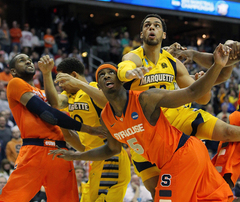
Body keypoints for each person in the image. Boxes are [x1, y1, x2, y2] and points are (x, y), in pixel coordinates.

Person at [50, 46, 234, 201]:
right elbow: (110, 150)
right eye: (101, 75)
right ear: (98, 85)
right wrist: (73, 156)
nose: (106, 76)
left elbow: (193, 92)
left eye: (110, 73)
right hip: (168, 161)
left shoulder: (145, 99)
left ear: (121, 81)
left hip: (183, 153)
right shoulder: (107, 117)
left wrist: (217, 65)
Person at [116, 14, 240, 196]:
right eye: (147, 25)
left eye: (157, 25)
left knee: (231, 133)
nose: (152, 27)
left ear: (163, 34)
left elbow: (202, 98)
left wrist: (203, 80)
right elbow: (123, 67)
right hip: (146, 132)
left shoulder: (172, 61)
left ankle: (224, 182)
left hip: (177, 117)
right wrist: (129, 73)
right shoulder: (134, 57)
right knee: (158, 192)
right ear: (141, 34)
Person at [0, 53, 104, 202]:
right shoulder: (15, 83)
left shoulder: (41, 93)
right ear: (14, 71)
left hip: (60, 152)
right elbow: (48, 114)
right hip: (35, 150)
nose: (28, 61)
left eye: (29, 60)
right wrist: (89, 129)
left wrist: (47, 73)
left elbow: (54, 103)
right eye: (22, 60)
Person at [43, 56, 131, 202]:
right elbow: (55, 103)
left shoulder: (96, 87)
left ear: (73, 76)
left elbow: (108, 102)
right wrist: (46, 74)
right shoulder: (69, 96)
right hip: (94, 159)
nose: (60, 86)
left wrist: (78, 83)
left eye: (61, 81)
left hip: (111, 157)